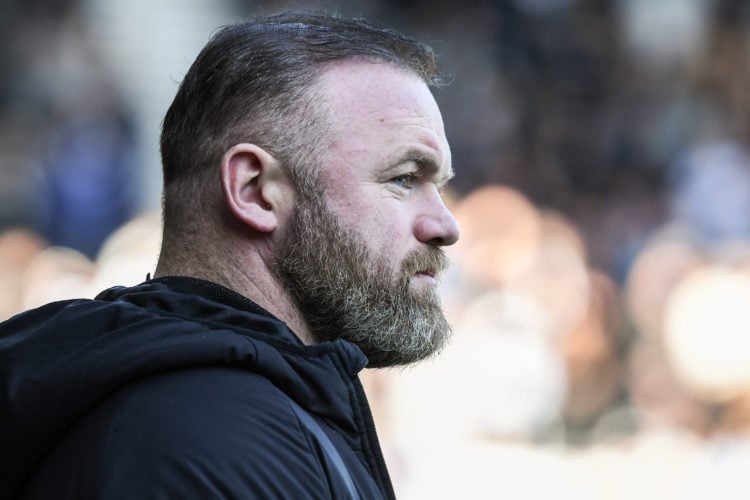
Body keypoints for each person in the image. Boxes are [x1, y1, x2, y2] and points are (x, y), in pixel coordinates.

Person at [0, 11, 460, 499]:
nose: (446, 227)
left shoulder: (232, 412)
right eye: (405, 178)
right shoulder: (192, 438)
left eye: (440, 186)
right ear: (254, 190)